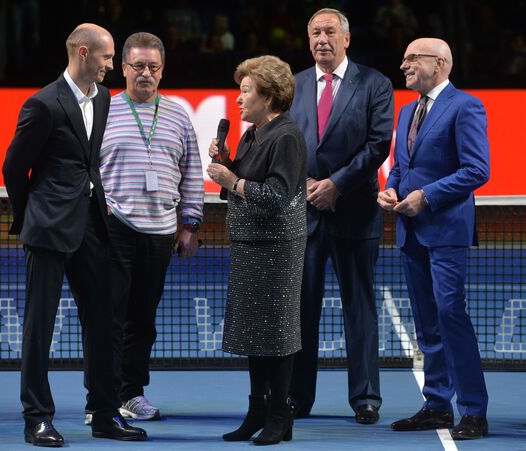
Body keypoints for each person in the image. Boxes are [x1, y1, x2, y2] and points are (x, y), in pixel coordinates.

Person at [2, 24, 147, 446]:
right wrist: (31, 215)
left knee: (104, 322)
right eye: (106, 57)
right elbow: (14, 168)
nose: (110, 65)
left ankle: (104, 413)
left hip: (92, 227)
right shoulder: (43, 104)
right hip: (47, 229)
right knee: (39, 327)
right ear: (84, 53)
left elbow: (89, 163)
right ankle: (37, 419)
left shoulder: (103, 98)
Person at [378, 38, 490, 440]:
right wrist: (390, 189)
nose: (403, 65)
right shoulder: (407, 111)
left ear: (439, 63)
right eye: (404, 58)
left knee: (451, 316)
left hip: (445, 231)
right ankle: (438, 405)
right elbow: (401, 167)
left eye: (412, 59)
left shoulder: (466, 106)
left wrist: (427, 196)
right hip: (410, 231)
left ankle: (474, 410)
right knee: (427, 325)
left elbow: (478, 169)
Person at [288, 8, 394, 424]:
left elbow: (378, 144)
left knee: (360, 308)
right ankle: (297, 396)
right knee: (302, 308)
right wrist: (307, 186)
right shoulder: (292, 85)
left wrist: (336, 185)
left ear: (346, 38)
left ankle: (366, 398)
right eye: (315, 32)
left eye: (330, 31)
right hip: (305, 213)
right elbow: (281, 142)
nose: (322, 39)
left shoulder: (375, 83)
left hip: (356, 213)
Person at [98, 32, 204, 422]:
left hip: (160, 232)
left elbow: (191, 172)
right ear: (123, 68)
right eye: (138, 66)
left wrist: (190, 224)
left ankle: (131, 393)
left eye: (153, 67)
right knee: (108, 317)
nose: (146, 73)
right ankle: (103, 399)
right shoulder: (102, 110)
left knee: (143, 320)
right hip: (115, 229)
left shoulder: (177, 114)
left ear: (162, 70)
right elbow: (85, 169)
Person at [207, 55, 307, 445]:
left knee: (278, 334)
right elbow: (246, 184)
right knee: (254, 334)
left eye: (245, 91)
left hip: (277, 249)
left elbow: (279, 198)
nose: (238, 99)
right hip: (250, 246)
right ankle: (258, 411)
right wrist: (228, 164)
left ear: (268, 96)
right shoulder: (253, 134)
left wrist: (231, 179)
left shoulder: (286, 137)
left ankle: (280, 414)